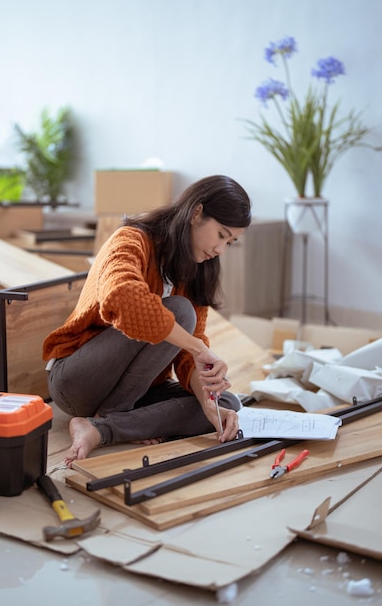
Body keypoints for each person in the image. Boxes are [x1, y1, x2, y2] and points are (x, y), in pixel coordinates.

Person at [43, 174, 252, 466]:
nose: (220, 250)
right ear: (196, 213)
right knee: (179, 312)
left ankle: (102, 428)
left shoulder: (197, 270)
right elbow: (123, 300)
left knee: (226, 405)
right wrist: (196, 346)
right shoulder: (131, 239)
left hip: (137, 388)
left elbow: (186, 357)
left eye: (230, 243)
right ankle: (119, 416)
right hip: (79, 383)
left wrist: (206, 394)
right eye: (221, 234)